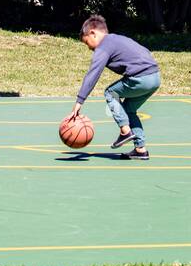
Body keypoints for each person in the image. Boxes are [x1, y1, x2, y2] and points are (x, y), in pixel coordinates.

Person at [67, 15, 160, 160]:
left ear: (93, 33)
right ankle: (140, 149)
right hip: (154, 77)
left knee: (110, 93)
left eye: (87, 43)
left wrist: (79, 101)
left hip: (141, 78)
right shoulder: (117, 39)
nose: (89, 47)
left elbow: (93, 73)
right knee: (129, 110)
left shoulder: (104, 45)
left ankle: (125, 131)